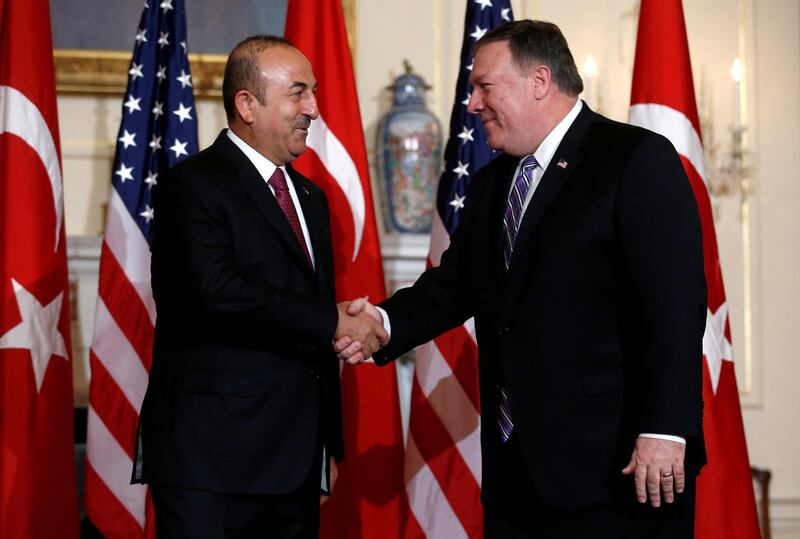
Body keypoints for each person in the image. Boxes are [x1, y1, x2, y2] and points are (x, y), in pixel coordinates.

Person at [337, 20, 707, 538]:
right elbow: (457, 284)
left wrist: (666, 429)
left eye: (484, 86)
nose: (471, 104)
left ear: (538, 81)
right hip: (516, 474)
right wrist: (380, 321)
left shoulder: (633, 159)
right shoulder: (492, 183)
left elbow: (675, 306)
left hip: (617, 470)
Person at [132, 35, 386, 538]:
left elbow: (312, 327)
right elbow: (218, 291)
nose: (313, 108)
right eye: (298, 93)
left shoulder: (310, 197)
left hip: (293, 463)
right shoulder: (192, 185)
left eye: (312, 92)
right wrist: (335, 317)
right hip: (211, 466)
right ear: (247, 104)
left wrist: (326, 442)